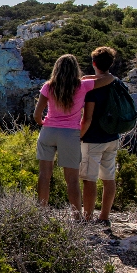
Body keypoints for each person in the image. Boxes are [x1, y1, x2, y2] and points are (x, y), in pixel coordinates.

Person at [33, 54, 114, 216]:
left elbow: (37, 114)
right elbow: (110, 78)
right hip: (70, 134)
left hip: (48, 132)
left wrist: (44, 124)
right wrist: (86, 77)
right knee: (72, 180)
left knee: (44, 175)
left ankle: (41, 213)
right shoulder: (82, 86)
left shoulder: (48, 87)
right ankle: (77, 217)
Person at [79, 46, 119, 226]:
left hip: (93, 138)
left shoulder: (93, 89)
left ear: (94, 63)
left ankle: (87, 218)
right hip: (112, 137)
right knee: (109, 178)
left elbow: (87, 118)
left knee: (89, 179)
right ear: (111, 64)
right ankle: (104, 217)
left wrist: (79, 136)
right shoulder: (117, 83)